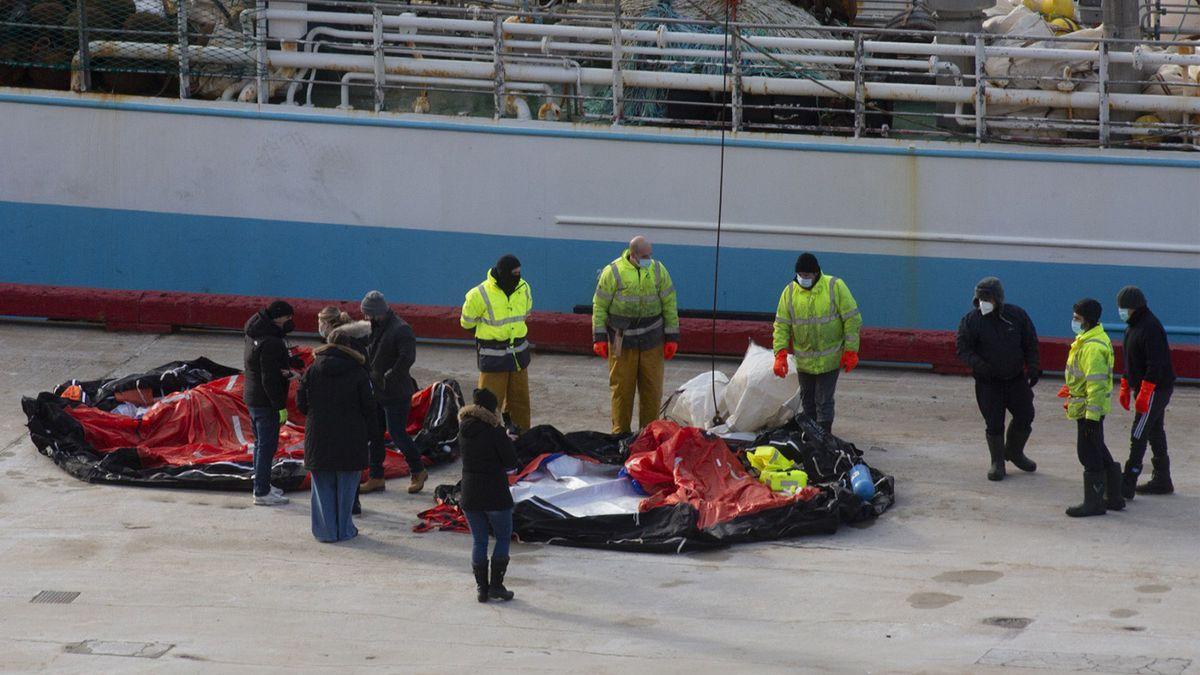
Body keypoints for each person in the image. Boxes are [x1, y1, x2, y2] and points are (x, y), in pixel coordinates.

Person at [297, 321, 378, 542]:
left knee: (322, 485)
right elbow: (369, 407)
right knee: (346, 486)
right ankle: (345, 529)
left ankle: (326, 531)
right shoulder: (359, 372)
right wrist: (372, 434)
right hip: (351, 436)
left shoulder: (312, 370)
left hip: (319, 435)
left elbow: (301, 403)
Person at [955, 277, 1041, 481]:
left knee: (1025, 415)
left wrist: (1034, 367)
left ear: (998, 298)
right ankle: (997, 462)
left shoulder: (1017, 316)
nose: (983, 301)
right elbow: (963, 349)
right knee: (994, 423)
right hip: (988, 383)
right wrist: (980, 365)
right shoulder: (971, 321)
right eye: (980, 297)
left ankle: (1014, 452)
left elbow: (1030, 342)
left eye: (987, 297)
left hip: (1015, 379)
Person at [591, 236, 679, 435]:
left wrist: (672, 337)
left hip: (652, 340)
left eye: (650, 255)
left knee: (652, 390)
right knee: (622, 390)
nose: (649, 259)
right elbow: (600, 306)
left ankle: (648, 434)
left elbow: (669, 303)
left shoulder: (658, 270)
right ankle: (620, 434)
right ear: (633, 254)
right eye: (645, 256)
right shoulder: (613, 272)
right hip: (622, 341)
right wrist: (599, 337)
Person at [771, 253, 862, 434]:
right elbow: (781, 325)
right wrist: (780, 353)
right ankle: (812, 435)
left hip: (830, 359)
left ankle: (824, 435)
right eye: (801, 275)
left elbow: (852, 319)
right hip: (805, 362)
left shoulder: (834, 287)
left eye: (808, 275)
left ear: (816, 273)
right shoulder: (789, 293)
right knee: (808, 401)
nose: (804, 279)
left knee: (824, 400)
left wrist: (851, 351)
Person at [1058, 298, 1124, 517]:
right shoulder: (1090, 339)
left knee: (1088, 453)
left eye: (1077, 318)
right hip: (1087, 407)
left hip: (1089, 409)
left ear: (1087, 319)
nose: (1074, 321)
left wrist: (1090, 418)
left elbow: (1095, 385)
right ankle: (1115, 496)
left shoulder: (1092, 347)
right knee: (1098, 447)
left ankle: (1094, 503)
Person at [359, 291, 427, 494]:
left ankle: (418, 470)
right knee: (374, 434)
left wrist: (389, 375)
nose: (365, 318)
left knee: (397, 434)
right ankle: (376, 476)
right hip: (378, 390)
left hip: (396, 392)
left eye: (367, 314)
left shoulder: (401, 329)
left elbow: (407, 358)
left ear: (376, 312)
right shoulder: (376, 327)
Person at [459, 387, 519, 603]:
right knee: (502, 537)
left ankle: (481, 589)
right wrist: (507, 440)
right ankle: (496, 586)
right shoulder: (495, 432)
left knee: (479, 541)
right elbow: (511, 463)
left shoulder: (463, 430)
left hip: (470, 494)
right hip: (495, 494)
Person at [1115, 286, 1176, 498]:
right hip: (1145, 387)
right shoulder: (1131, 327)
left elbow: (1156, 364)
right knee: (1154, 430)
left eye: (1124, 308)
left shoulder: (1150, 328)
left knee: (1139, 431)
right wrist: (1125, 383)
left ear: (1134, 308)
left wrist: (1146, 391)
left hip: (1156, 388)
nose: (1121, 311)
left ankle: (1128, 481)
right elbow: (1131, 360)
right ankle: (1163, 479)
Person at [460, 255, 533, 432]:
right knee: (488, 403)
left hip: (518, 356)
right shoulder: (479, 294)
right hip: (494, 358)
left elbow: (526, 313)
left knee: (520, 401)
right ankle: (483, 436)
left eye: (519, 272)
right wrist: (489, 335)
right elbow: (467, 323)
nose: (518, 276)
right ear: (503, 273)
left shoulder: (523, 288)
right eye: (514, 273)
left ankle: (520, 435)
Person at [242, 300, 295, 506]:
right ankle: (262, 492)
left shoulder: (253, 333)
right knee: (267, 446)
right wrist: (279, 405)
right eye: (288, 318)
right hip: (265, 401)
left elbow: (261, 366)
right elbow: (269, 378)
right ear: (279, 317)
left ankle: (261, 484)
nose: (290, 322)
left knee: (259, 444)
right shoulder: (271, 343)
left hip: (253, 397)